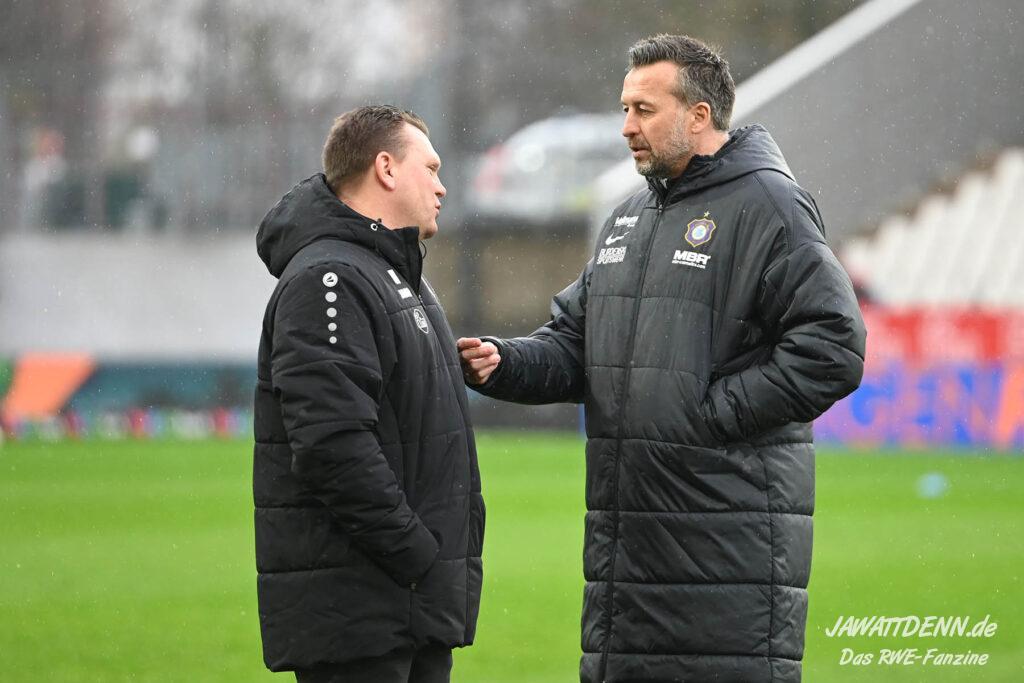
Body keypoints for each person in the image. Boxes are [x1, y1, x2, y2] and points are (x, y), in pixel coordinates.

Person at [459, 35, 865, 683]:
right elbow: (575, 345)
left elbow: (833, 346)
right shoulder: (629, 217)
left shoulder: (770, 205)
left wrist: (709, 416)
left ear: (699, 116)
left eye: (644, 110)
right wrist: (502, 362)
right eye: (625, 109)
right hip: (625, 565)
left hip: (724, 561)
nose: (626, 126)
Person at [254, 105, 484, 683]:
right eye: (430, 168)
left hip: (407, 608)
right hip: (361, 615)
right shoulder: (328, 278)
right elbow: (332, 446)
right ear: (385, 168)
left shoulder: (394, 273)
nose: (441, 186)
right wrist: (416, 551)